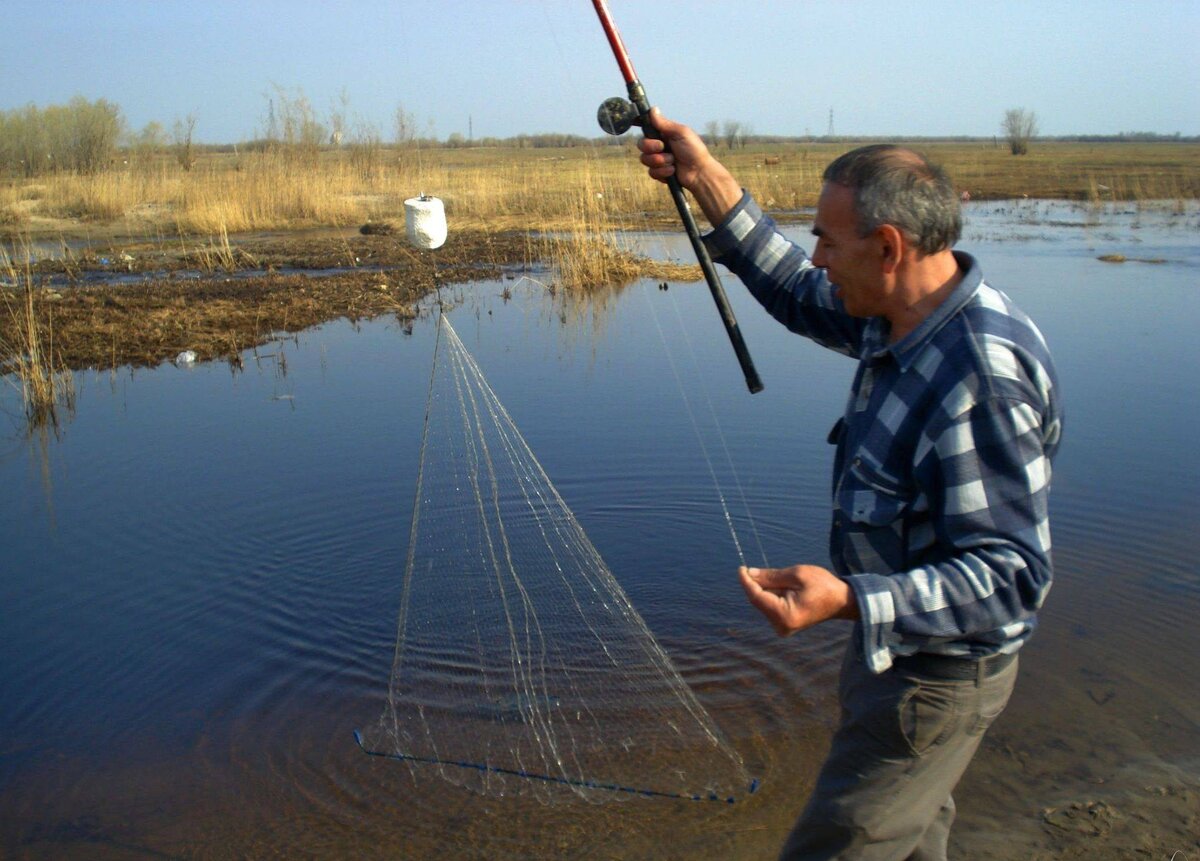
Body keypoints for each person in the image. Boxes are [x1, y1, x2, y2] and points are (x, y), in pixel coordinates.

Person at [638, 110, 1062, 861]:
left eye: (829, 239)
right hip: (901, 661)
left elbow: (1010, 578)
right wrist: (701, 175)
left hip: (936, 678)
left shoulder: (979, 378)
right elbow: (799, 291)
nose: (818, 254)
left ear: (889, 247)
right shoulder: (900, 315)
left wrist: (850, 599)